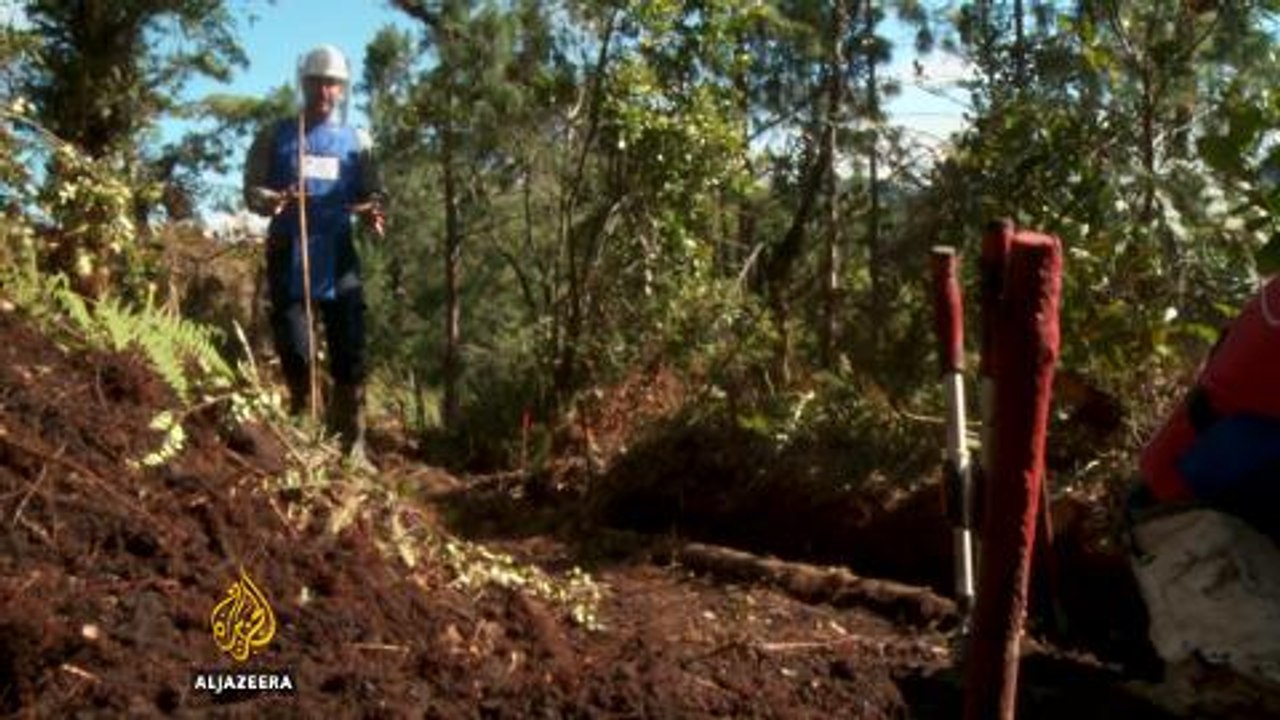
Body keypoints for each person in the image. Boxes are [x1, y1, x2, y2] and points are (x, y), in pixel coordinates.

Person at [243, 44, 384, 464]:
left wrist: (375, 209)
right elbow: (252, 190)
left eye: (334, 84)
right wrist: (272, 199)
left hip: (338, 252)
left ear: (343, 90)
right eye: (319, 82)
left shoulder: (358, 141)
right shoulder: (276, 135)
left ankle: (352, 441)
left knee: (350, 346)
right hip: (289, 249)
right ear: (304, 84)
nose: (326, 91)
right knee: (297, 346)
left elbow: (372, 191)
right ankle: (303, 428)